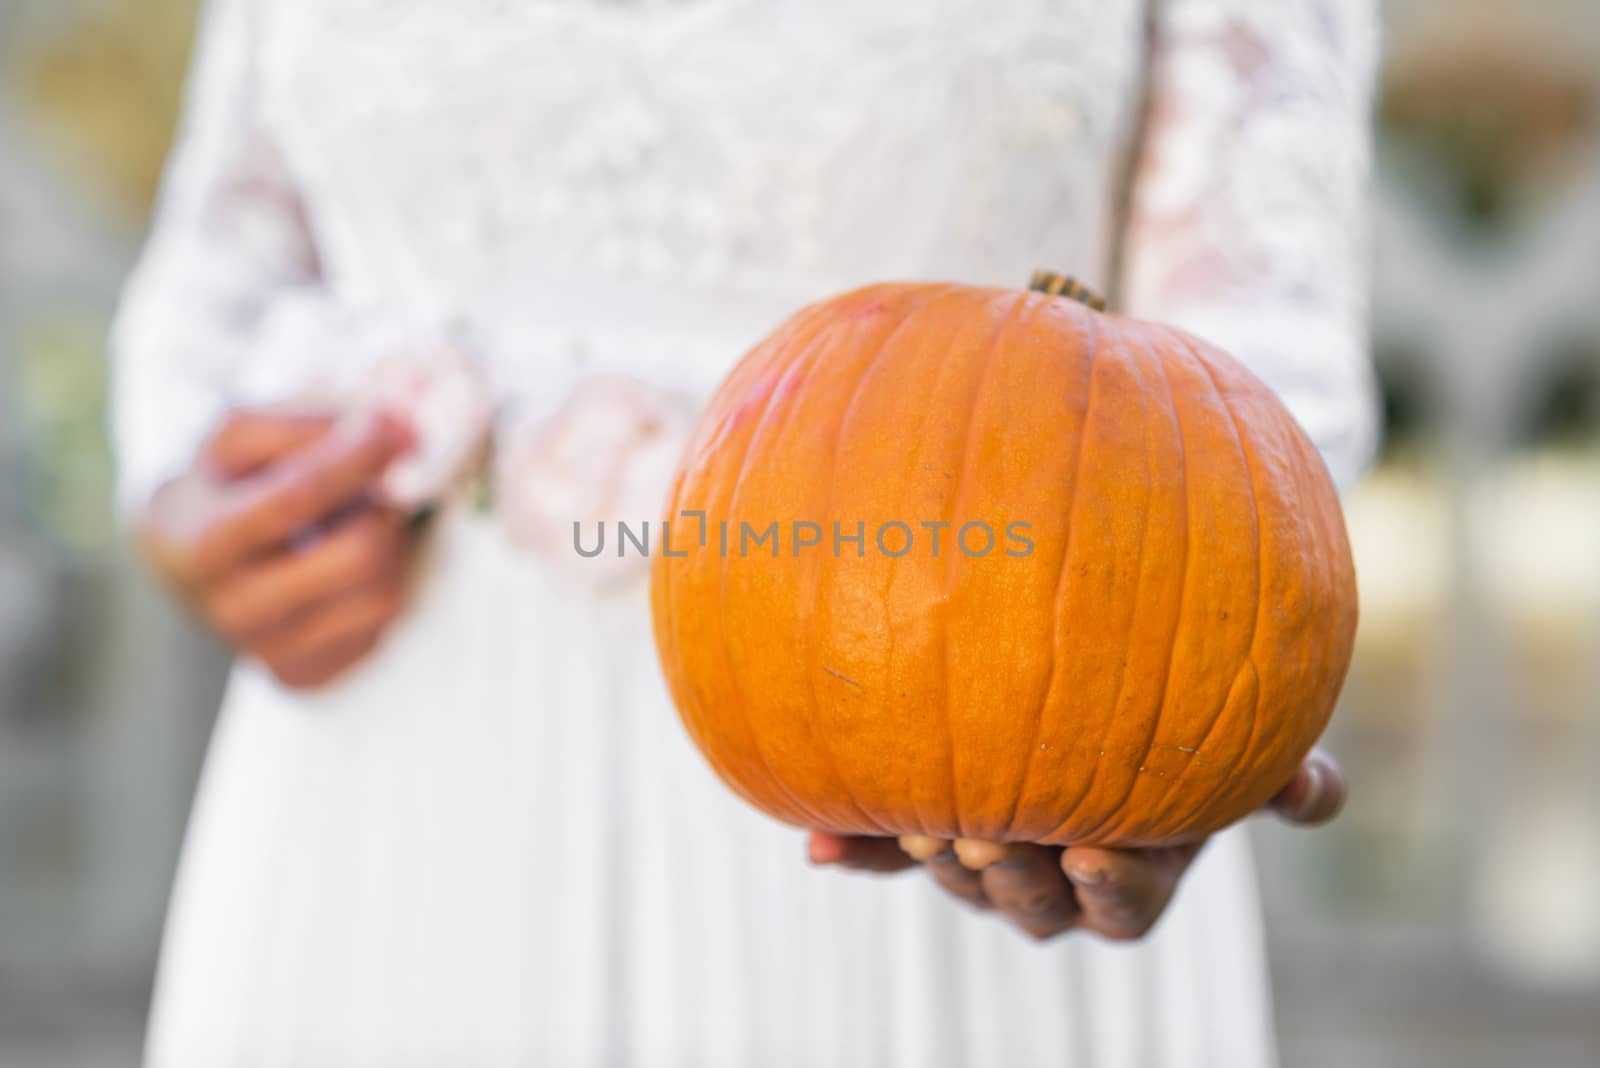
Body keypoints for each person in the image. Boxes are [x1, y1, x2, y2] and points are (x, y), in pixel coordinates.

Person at [115, 0, 1380, 1064]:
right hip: (401, 765)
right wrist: (181, 477)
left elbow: (1256, 351)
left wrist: (1191, 699)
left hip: (966, 721)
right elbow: (225, 239)